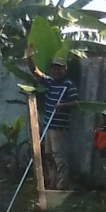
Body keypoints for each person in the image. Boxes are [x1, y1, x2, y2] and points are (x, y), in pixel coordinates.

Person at [25, 48, 79, 189]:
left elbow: (76, 103)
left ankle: (62, 185)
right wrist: (29, 58)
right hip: (48, 126)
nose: (56, 71)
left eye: (59, 69)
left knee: (58, 156)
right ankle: (52, 183)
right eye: (54, 69)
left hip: (58, 127)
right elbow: (36, 73)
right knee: (49, 155)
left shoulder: (69, 85)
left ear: (64, 70)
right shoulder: (50, 82)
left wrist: (63, 105)